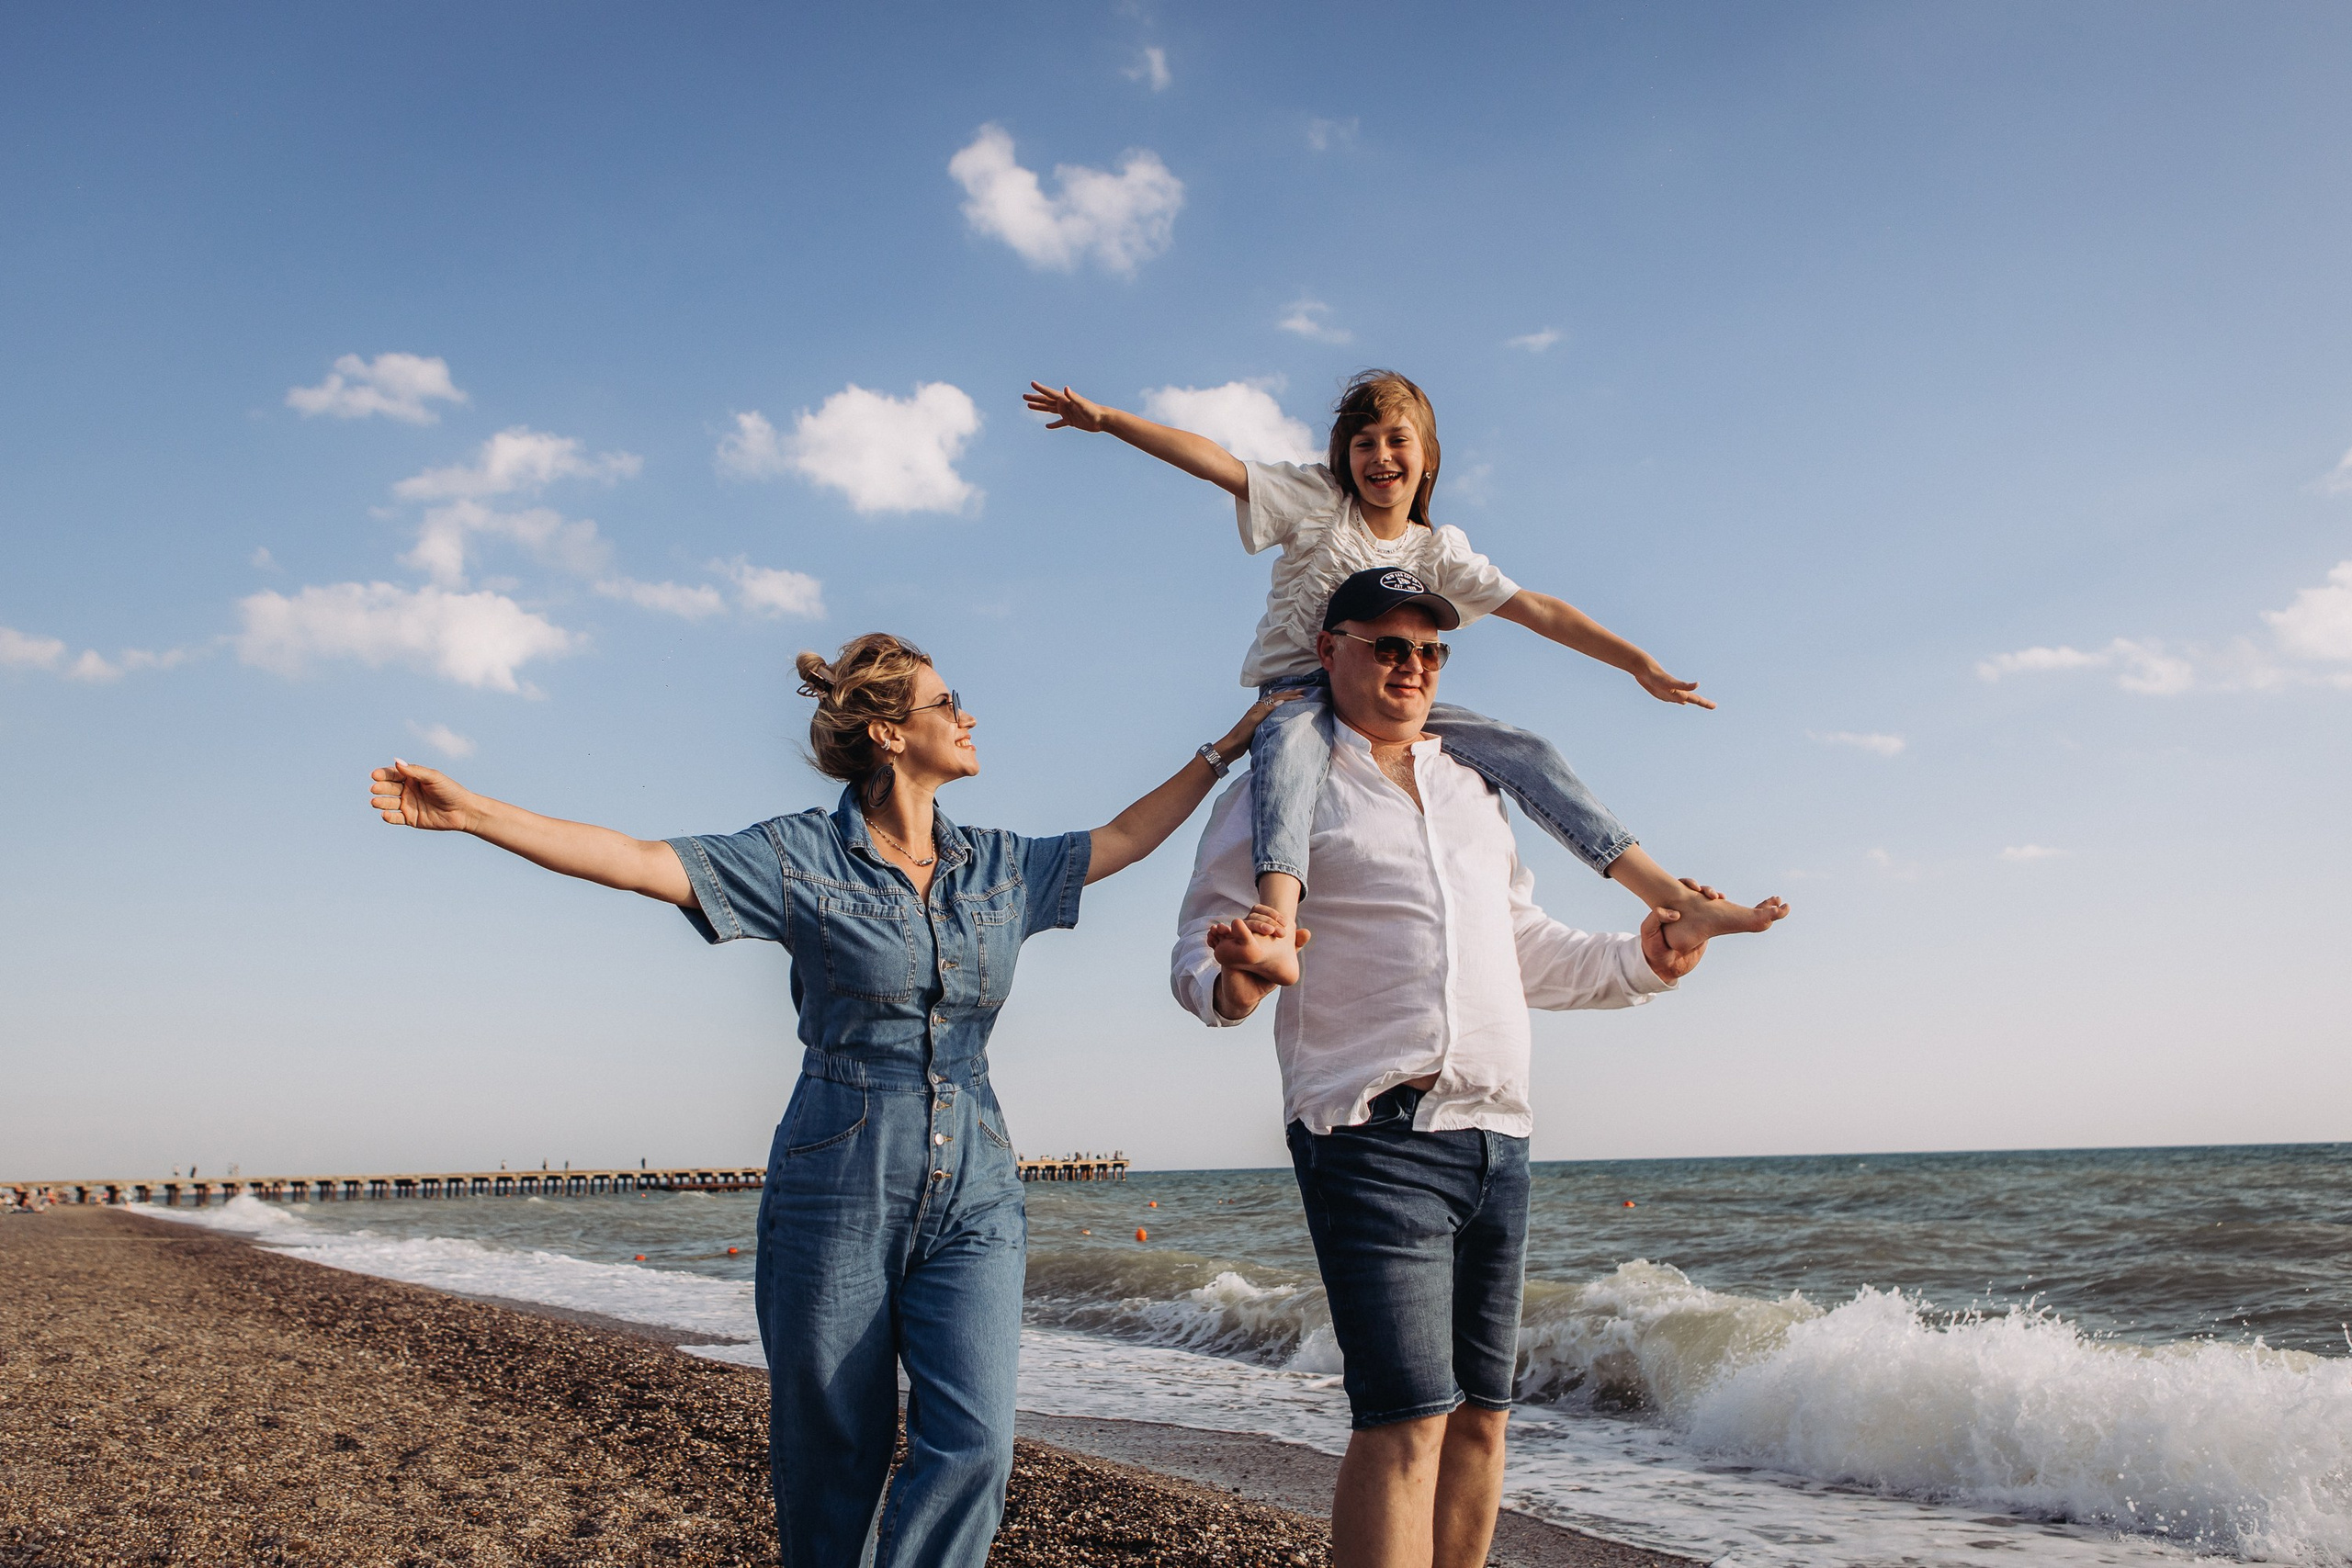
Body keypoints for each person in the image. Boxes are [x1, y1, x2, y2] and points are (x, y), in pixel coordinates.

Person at [368, 633, 1295, 1568]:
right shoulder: (800, 857)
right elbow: (636, 859)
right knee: (832, 1453)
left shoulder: (999, 867)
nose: (969, 718)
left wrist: (1230, 746)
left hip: (976, 1175)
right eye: (948, 703)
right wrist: (473, 813)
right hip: (836, 1172)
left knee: (974, 1442)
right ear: (892, 734)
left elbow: (1124, 839)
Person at [1170, 570, 1737, 1568]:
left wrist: (1644, 962)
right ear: (1330, 649)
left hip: (1499, 1135)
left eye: (1432, 651)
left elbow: (1521, 948)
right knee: (1401, 1427)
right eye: (1389, 646)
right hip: (1370, 1130)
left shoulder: (1474, 788)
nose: (1413, 666)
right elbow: (1194, 953)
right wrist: (1239, 983)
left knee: (1480, 1419)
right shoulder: (1274, 788)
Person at [1029, 369, 1786, 985]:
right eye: (1364, 442)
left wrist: (1639, 665)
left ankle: (1672, 897)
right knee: (1287, 756)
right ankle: (1278, 922)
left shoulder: (1437, 552)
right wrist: (1110, 420)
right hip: (1298, 689)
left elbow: (1541, 610)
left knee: (1527, 750)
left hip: (1393, 702)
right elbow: (1216, 460)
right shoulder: (1318, 503)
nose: (1381, 455)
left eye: (1398, 439)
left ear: (1426, 456)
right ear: (1344, 456)